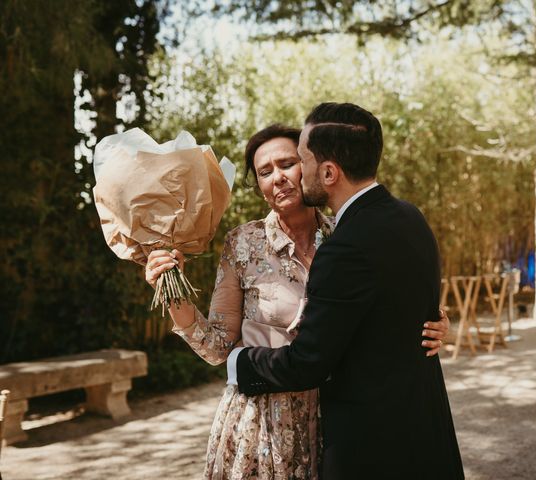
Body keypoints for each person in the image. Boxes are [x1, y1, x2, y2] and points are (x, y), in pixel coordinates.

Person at [144, 124, 450, 479]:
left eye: (288, 163)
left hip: (337, 421)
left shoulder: (347, 236)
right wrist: (171, 287)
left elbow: (384, 310)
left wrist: (433, 321)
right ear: (258, 186)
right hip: (262, 424)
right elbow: (217, 347)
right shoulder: (243, 244)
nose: (278, 178)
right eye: (264, 171)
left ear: (312, 166)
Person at [228, 103, 465, 479]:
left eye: (300, 161)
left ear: (328, 171)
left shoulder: (344, 248)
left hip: (374, 448)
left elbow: (309, 362)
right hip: (427, 435)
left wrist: (240, 363)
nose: (294, 174)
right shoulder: (410, 217)